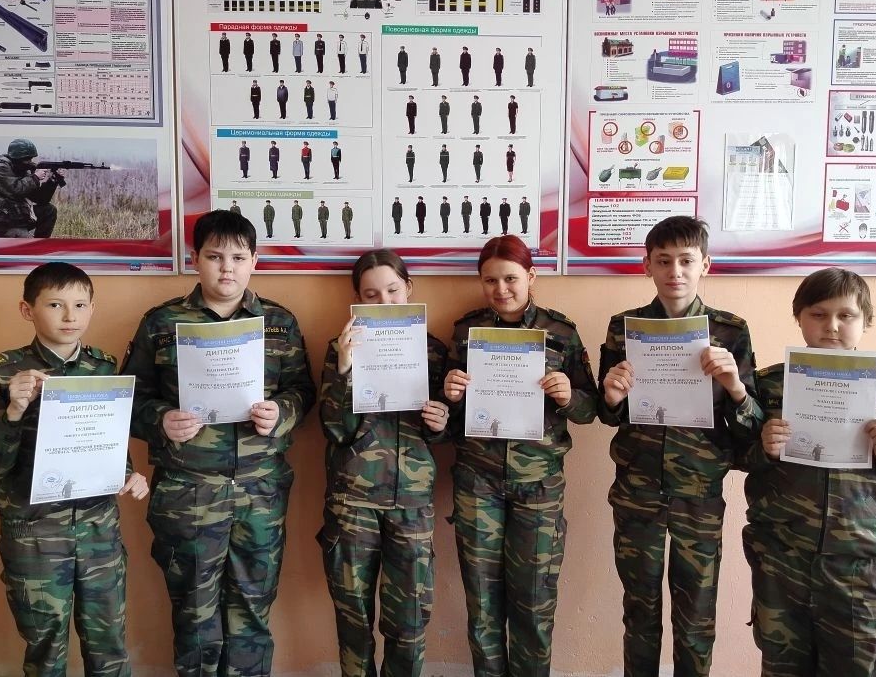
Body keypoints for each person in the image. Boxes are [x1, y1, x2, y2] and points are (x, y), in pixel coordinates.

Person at [121, 210, 316, 677]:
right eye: (214, 257)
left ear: (254, 262)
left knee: (252, 609)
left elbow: (303, 391)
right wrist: (160, 419)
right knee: (193, 614)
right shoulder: (162, 322)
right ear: (195, 259)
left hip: (259, 492)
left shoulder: (279, 322)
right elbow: (129, 399)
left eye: (238, 258)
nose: (227, 268)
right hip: (188, 491)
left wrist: (281, 413)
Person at [745, 268, 876, 677]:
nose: (831, 326)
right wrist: (763, 448)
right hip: (783, 560)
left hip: (861, 567)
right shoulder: (768, 387)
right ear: (799, 317)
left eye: (846, 315)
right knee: (782, 668)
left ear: (865, 320)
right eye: (818, 314)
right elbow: (730, 454)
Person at [596, 216, 759, 677]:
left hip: (698, 493)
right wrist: (612, 395)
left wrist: (735, 387)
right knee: (639, 611)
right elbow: (609, 413)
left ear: (705, 264)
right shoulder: (624, 328)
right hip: (638, 489)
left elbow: (751, 424)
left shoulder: (730, 331)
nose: (675, 271)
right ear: (647, 265)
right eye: (663, 261)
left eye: (686, 260)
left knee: (696, 617)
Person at [0, 262, 149, 677]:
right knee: (46, 654)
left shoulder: (103, 366)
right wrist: (14, 410)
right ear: (27, 310)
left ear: (92, 309)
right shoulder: (2, 372)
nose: (70, 316)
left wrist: (127, 473)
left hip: (99, 532)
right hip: (34, 535)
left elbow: (107, 440)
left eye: (80, 305)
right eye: (55, 304)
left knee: (110, 648)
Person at [442, 235, 599, 677]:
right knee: (482, 602)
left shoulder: (561, 332)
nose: (501, 289)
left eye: (510, 278)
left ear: (531, 276)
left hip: (539, 485)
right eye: (490, 280)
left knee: (534, 601)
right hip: (478, 481)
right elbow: (445, 413)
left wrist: (568, 396)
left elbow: (590, 410)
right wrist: (450, 393)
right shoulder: (465, 331)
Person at [318, 250, 449, 677]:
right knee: (353, 621)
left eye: (392, 290)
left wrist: (440, 422)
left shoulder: (434, 352)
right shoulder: (339, 349)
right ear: (358, 298)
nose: (384, 301)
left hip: (412, 503)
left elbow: (444, 431)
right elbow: (334, 428)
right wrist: (344, 368)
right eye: (371, 295)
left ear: (408, 288)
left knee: (409, 622)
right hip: (353, 503)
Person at [0, 138, 60, 238]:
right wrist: (35, 177)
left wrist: (53, 179)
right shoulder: (0, 169)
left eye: (30, 159)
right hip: (1, 221)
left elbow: (40, 199)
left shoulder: (21, 169)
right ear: (17, 158)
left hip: (16, 216)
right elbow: (16, 190)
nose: (30, 162)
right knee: (27, 245)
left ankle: (40, 244)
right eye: (27, 159)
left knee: (49, 210)